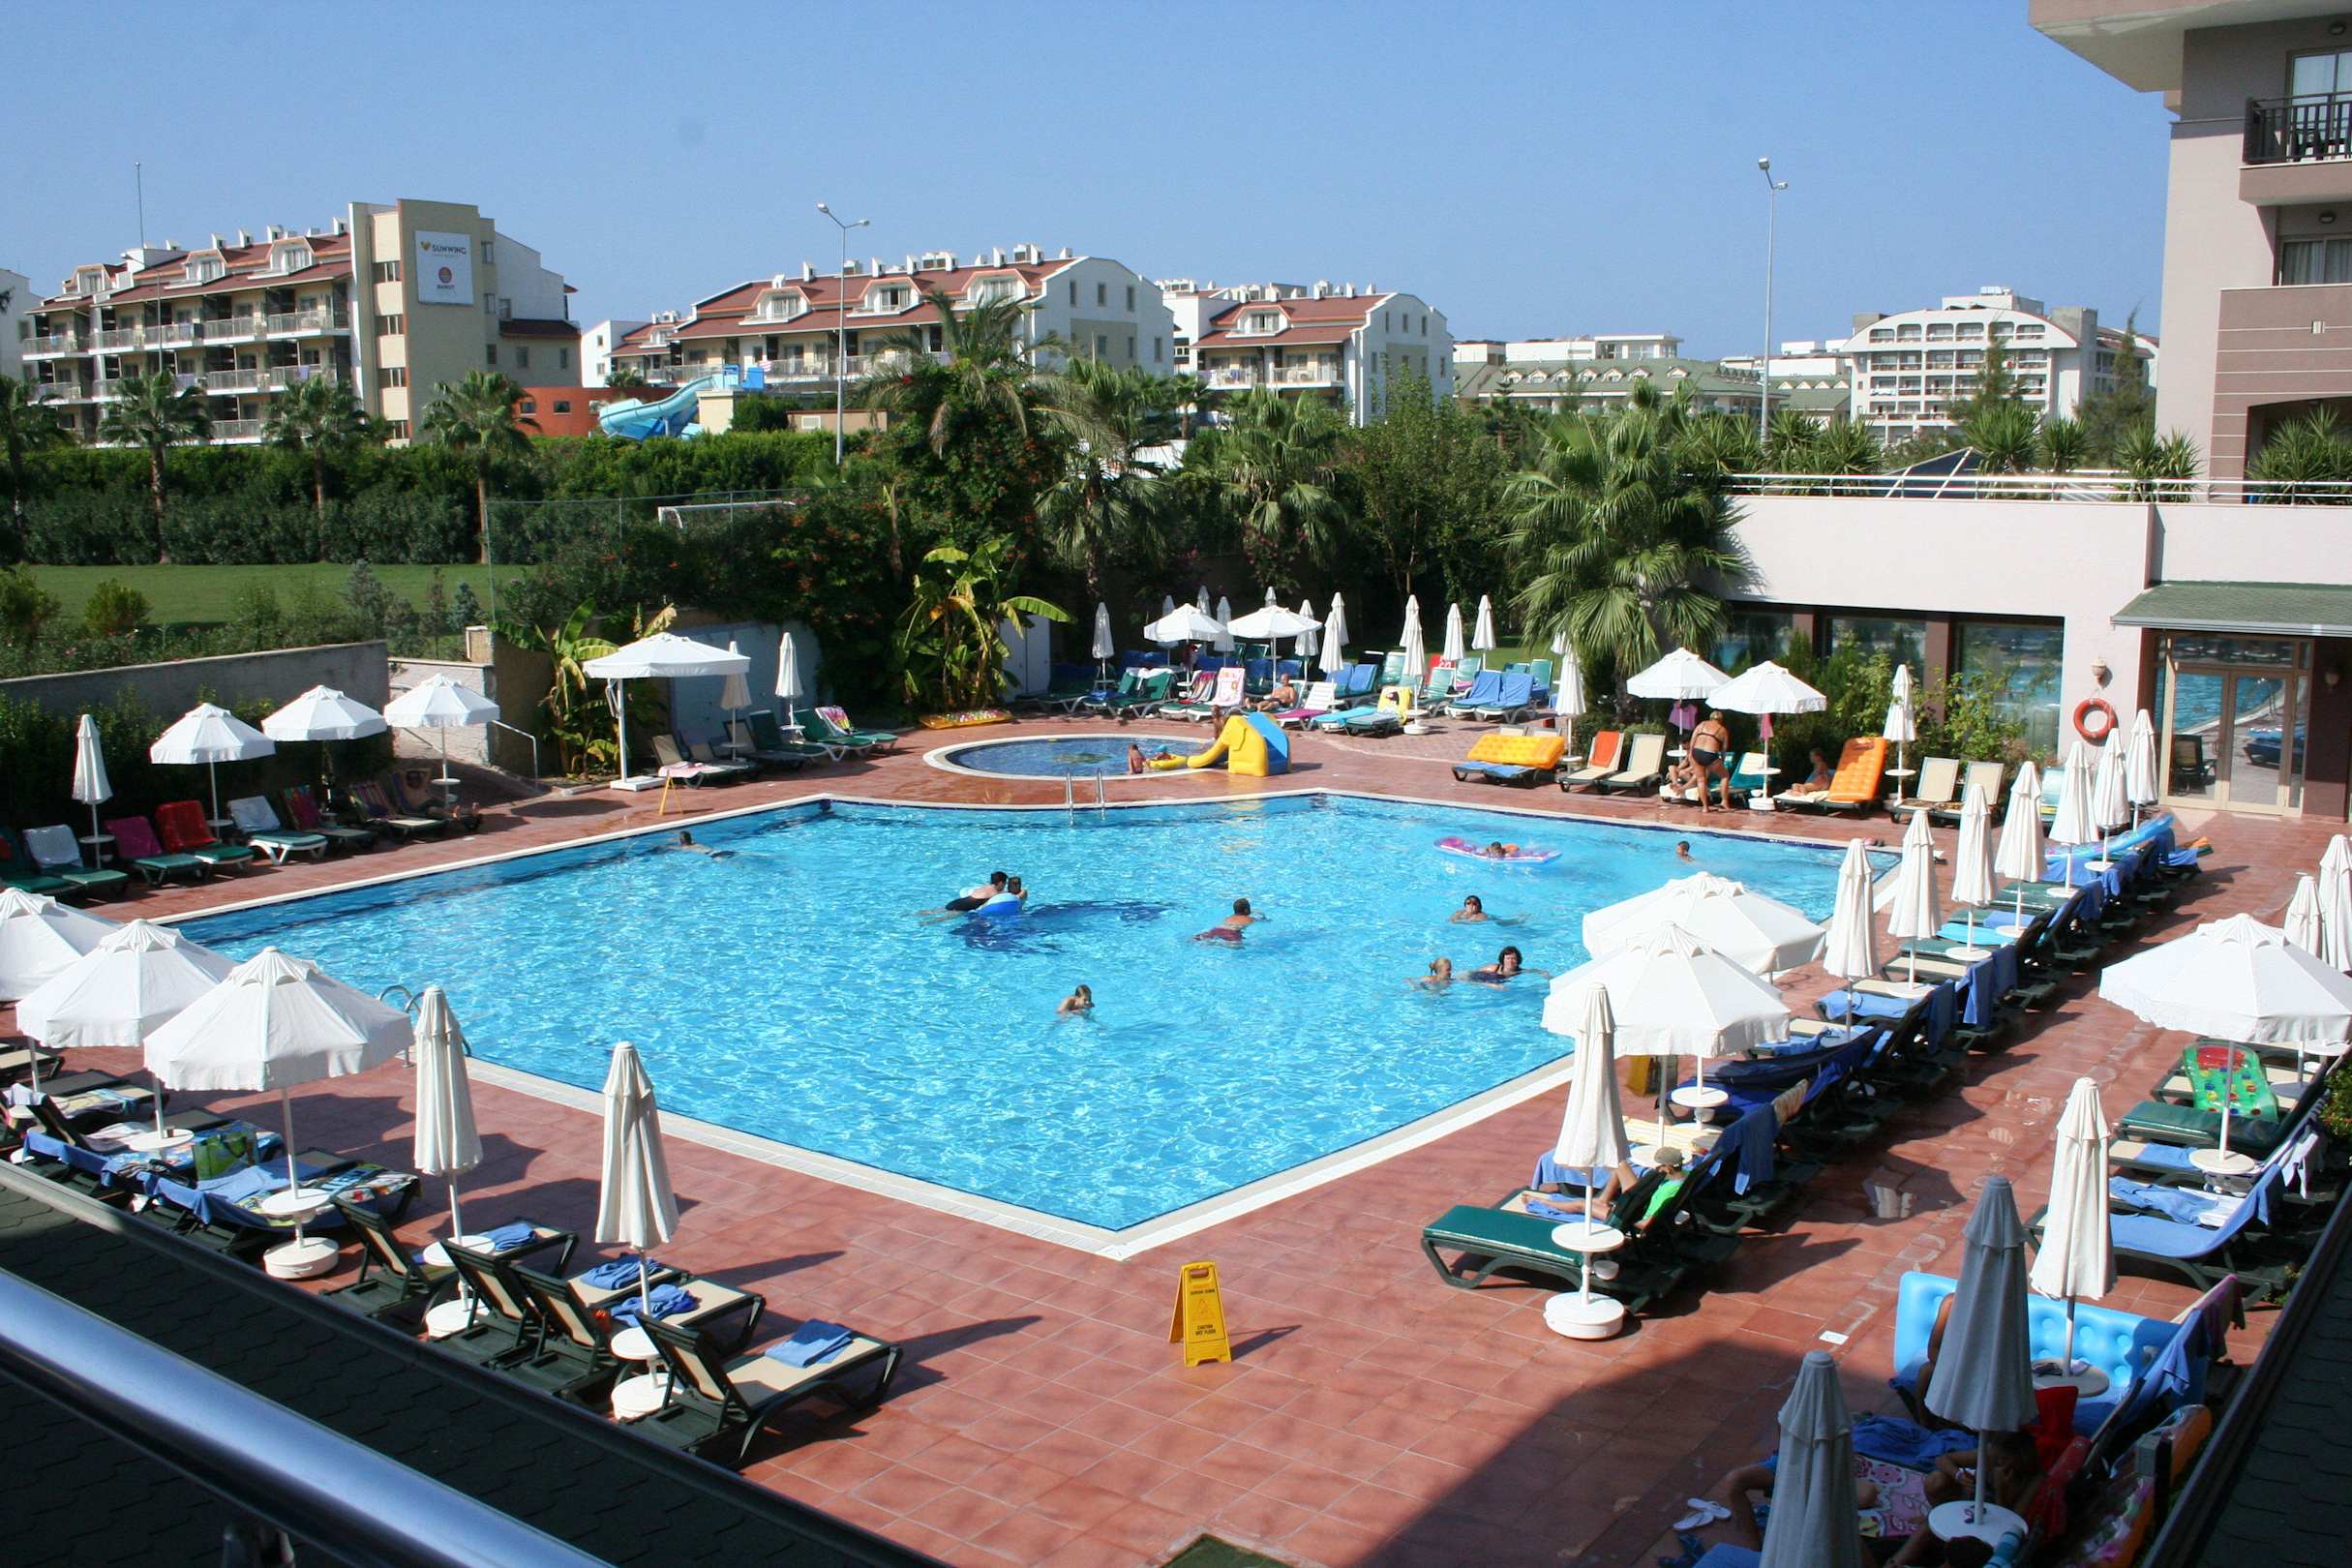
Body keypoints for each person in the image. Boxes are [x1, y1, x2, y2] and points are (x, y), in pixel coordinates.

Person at [1885, 1432, 2046, 1566]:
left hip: (1991, 1532)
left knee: (1933, 1534)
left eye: (2004, 1460)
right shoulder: (1991, 1455)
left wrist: (2000, 1490)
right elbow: (1943, 1459)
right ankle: (1895, 1563)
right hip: (1971, 1510)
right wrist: (1959, 1476)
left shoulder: (2034, 1480)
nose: (1999, 1462)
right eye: (1998, 1459)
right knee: (1937, 1480)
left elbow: (2012, 1526)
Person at [1687, 709, 1734, 811]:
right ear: (1721, 720)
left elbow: (1693, 739)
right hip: (1710, 754)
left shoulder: (1702, 724)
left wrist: (1690, 753)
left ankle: (1705, 807)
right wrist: (1722, 761)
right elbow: (1724, 749)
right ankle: (1724, 802)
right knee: (1725, 776)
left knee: (1701, 780)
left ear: (1710, 718)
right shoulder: (1722, 730)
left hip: (1696, 752)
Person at [1196, 897, 1262, 944]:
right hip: (1231, 932)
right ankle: (1215, 943)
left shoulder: (1229, 917)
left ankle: (1203, 939)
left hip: (1217, 929)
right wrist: (1260, 913)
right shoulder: (1250, 919)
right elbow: (1262, 919)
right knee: (1237, 946)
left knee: (1206, 937)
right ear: (1246, 910)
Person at [1469, 945, 1547, 983]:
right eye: (1508, 958)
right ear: (1503, 960)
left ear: (1518, 960)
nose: (1510, 961)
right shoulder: (1494, 968)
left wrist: (1545, 974)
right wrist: (1492, 985)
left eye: (1513, 958)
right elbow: (1471, 976)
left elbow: (1535, 971)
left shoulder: (1519, 971)